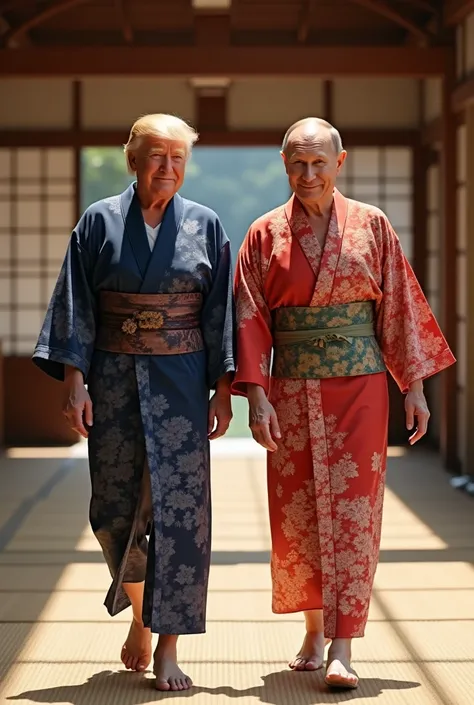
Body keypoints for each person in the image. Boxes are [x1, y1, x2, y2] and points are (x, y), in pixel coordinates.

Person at [232, 117, 455, 690]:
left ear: (340, 162)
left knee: (356, 512)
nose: (309, 175)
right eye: (298, 164)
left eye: (319, 163)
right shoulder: (263, 234)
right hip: (291, 391)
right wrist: (256, 397)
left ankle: (343, 643)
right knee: (297, 512)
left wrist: (416, 388)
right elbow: (250, 318)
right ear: (284, 165)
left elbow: (400, 309)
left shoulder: (372, 227)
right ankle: (311, 629)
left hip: (359, 390)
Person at [33, 113, 235, 692]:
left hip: (182, 380)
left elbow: (221, 311)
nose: (167, 168)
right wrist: (74, 381)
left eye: (177, 157)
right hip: (114, 378)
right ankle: (144, 615)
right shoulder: (98, 221)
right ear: (133, 159)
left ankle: (167, 645)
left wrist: (224, 389)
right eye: (155, 155)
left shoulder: (206, 224)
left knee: (180, 516)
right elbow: (77, 306)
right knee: (113, 511)